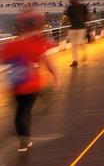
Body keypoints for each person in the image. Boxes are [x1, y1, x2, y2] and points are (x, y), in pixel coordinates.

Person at [0, 10, 61, 152]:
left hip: (16, 84)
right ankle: (23, 138)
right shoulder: (38, 44)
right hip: (32, 84)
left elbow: (4, 61)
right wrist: (57, 77)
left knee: (21, 111)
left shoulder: (11, 45)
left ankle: (23, 140)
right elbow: (48, 60)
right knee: (25, 111)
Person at [64, 0, 89, 67]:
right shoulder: (69, 8)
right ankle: (75, 60)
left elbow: (86, 15)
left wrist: (84, 22)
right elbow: (68, 16)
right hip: (72, 28)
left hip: (81, 27)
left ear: (76, 0)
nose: (70, 0)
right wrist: (67, 23)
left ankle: (84, 54)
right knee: (73, 45)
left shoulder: (83, 7)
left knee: (81, 42)